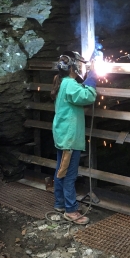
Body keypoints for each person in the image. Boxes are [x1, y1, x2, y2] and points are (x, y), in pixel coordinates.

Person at [50, 51, 97, 225]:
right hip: (69, 138)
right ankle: (71, 210)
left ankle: (60, 203)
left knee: (61, 170)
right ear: (72, 67)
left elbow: (75, 100)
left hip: (63, 136)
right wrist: (92, 77)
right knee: (69, 175)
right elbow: (88, 96)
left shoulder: (64, 83)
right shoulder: (69, 84)